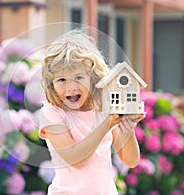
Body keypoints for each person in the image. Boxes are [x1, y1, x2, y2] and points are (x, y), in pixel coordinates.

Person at [38, 30, 145, 195]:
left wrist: (128, 126)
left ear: (93, 78)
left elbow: (130, 160)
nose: (71, 87)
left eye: (79, 77)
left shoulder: (103, 108)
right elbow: (75, 159)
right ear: (51, 84)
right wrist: (107, 124)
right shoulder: (52, 113)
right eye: (61, 80)